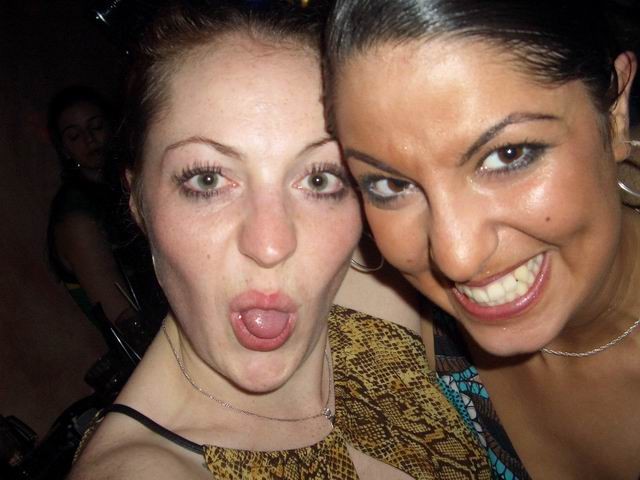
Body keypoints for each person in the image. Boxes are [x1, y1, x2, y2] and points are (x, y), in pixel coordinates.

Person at [69, 2, 491, 479]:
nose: (271, 246)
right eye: (208, 179)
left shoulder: (393, 278)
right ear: (138, 201)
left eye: (319, 179)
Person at [325, 1, 640, 478]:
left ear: (614, 114)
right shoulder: (383, 315)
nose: (456, 258)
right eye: (390, 185)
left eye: (507, 155)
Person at [46, 86, 157, 351]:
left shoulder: (132, 180)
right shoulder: (75, 216)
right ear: (64, 149)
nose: (89, 139)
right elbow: (125, 319)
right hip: (156, 345)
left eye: (96, 127)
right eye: (74, 135)